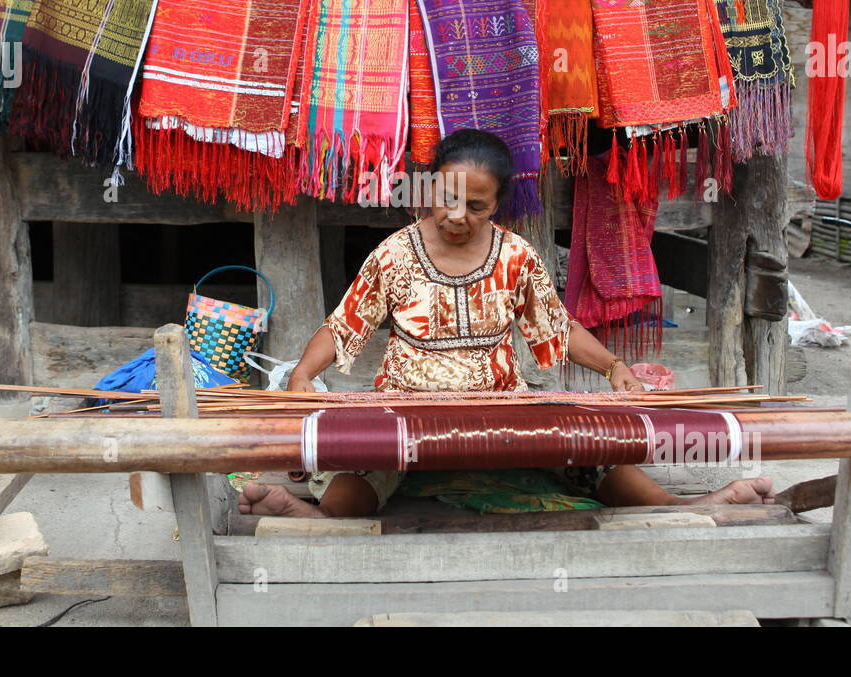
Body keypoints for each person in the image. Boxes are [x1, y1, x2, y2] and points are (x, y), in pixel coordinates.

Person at [239, 128, 774, 517]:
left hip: (503, 412)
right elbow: (345, 324)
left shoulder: (516, 256)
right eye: (447, 199)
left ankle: (684, 508)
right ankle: (317, 518)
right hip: (408, 407)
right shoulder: (394, 254)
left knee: (592, 450)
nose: (457, 216)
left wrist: (614, 366)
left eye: (476, 205)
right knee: (363, 461)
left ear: (497, 203)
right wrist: (303, 375)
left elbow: (555, 329)